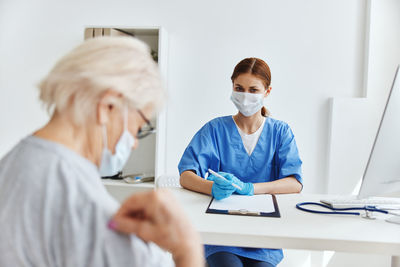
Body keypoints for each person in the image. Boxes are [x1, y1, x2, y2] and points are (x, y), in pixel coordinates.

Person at [0, 36, 203, 267]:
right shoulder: (91, 210)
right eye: (140, 126)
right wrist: (187, 248)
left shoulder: (10, 164)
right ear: (108, 106)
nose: (135, 142)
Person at [178, 57, 303, 267]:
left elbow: (294, 183)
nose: (245, 95)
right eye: (239, 88)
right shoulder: (215, 129)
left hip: (263, 237)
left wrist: (250, 188)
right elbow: (186, 175)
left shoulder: (280, 132)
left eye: (253, 90)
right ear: (232, 87)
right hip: (220, 237)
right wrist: (212, 188)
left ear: (267, 92)